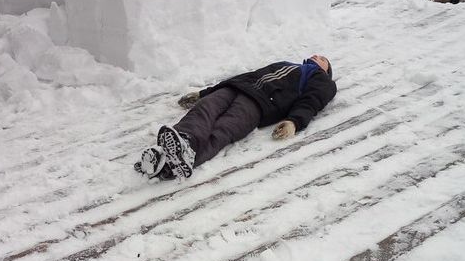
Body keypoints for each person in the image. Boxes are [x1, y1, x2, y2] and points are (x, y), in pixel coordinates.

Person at [135, 54, 337, 180]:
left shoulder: (323, 81)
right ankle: (182, 141)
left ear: (326, 70)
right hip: (235, 88)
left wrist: (294, 122)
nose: (317, 55)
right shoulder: (287, 64)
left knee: (222, 130)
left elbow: (311, 102)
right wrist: (204, 93)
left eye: (323, 58)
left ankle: (170, 165)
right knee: (203, 109)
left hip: (259, 104)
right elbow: (248, 75)